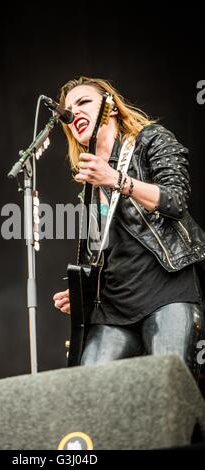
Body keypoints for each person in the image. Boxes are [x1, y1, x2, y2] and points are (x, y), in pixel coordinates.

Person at [53, 76, 205, 381]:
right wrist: (85, 291)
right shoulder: (88, 184)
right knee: (91, 393)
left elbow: (175, 201)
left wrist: (118, 180)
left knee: (167, 391)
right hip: (113, 306)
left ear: (110, 108)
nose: (73, 114)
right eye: (67, 110)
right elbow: (109, 249)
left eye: (83, 102)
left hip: (167, 291)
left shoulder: (151, 139)